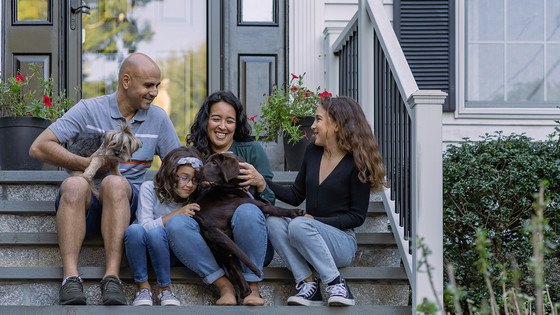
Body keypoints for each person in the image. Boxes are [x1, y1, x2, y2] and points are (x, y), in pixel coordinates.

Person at [29, 53, 181, 305]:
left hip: (123, 202)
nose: (154, 92)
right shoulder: (90, 109)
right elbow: (39, 147)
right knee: (74, 184)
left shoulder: (158, 118)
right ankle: (70, 278)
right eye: (148, 85)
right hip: (84, 206)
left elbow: (176, 165)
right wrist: (87, 164)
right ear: (126, 81)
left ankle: (112, 278)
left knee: (114, 183)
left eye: (157, 85)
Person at [260, 96, 386, 306]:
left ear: (336, 125)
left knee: (300, 225)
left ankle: (337, 284)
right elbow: (295, 195)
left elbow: (356, 217)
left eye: (318, 119)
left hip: (341, 242)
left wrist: (314, 221)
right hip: (307, 233)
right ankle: (308, 285)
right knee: (273, 222)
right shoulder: (312, 152)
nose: (312, 126)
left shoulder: (357, 163)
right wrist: (262, 183)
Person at [165, 91, 275, 306]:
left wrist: (261, 183)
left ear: (237, 124)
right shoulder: (193, 155)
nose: (222, 126)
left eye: (229, 121)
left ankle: (252, 288)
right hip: (210, 245)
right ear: (206, 121)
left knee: (248, 210)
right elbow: (180, 199)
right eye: (216, 119)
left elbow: (270, 204)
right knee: (176, 223)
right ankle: (224, 287)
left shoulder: (252, 151)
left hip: (249, 241)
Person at [124, 146, 202, 306]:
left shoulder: (195, 199)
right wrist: (176, 213)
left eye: (195, 180)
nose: (190, 185)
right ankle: (143, 287)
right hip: (140, 251)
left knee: (156, 234)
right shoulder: (149, 188)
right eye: (184, 177)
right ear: (171, 174)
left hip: (170, 254)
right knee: (134, 229)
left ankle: (164, 289)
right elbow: (144, 226)